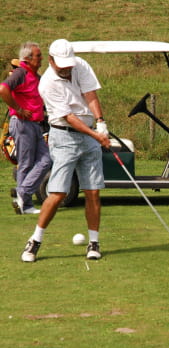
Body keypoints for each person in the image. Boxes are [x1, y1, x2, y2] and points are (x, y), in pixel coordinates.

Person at [21, 39, 111, 263]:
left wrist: (100, 123)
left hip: (89, 133)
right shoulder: (47, 84)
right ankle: (35, 241)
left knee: (92, 191)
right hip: (64, 137)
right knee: (58, 193)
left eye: (68, 63)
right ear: (51, 61)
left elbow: (90, 94)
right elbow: (69, 118)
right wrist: (96, 136)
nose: (66, 68)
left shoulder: (80, 65)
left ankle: (94, 242)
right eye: (62, 64)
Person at [0, 42, 52, 214]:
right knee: (26, 163)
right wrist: (19, 109)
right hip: (23, 123)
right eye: (38, 56)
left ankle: (23, 198)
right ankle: (25, 202)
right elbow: (3, 89)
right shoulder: (21, 73)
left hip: (35, 124)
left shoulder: (35, 76)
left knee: (46, 160)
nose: (41, 58)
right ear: (28, 59)